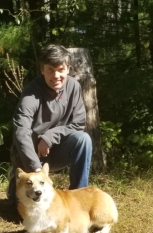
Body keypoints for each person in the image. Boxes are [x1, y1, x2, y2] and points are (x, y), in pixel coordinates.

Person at [7, 44, 92, 203]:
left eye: (60, 69)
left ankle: (78, 198)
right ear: (42, 70)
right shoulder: (32, 92)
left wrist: (50, 136)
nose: (56, 75)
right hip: (30, 154)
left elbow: (78, 124)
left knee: (83, 139)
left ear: (68, 68)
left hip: (57, 150)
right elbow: (21, 130)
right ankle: (17, 180)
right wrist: (37, 172)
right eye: (50, 70)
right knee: (19, 209)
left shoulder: (73, 87)